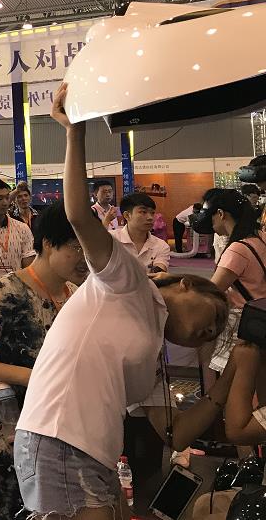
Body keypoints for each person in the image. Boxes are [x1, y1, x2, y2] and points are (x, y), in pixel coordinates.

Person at [14, 83, 232, 520]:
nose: (206, 332)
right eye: (212, 318)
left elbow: (174, 433)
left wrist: (230, 378)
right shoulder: (130, 281)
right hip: (59, 436)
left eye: (211, 335)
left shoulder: (151, 343)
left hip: (93, 453)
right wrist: (75, 133)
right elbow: (79, 216)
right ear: (188, 286)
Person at [0, 201, 89, 520]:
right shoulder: (1, 293)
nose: (85, 257)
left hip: (60, 430)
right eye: (76, 247)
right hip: (9, 431)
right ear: (49, 243)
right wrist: (32, 376)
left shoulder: (75, 294)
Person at [200, 189, 266, 372]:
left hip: (242, 327)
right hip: (259, 319)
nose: (211, 223)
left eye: (211, 217)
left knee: (237, 379)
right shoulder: (259, 238)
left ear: (221, 214)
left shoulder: (237, 249)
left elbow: (213, 290)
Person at [115, 192, 171, 272]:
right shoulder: (111, 240)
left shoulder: (161, 245)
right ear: (127, 215)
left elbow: (159, 273)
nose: (150, 217)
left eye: (152, 213)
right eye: (143, 212)